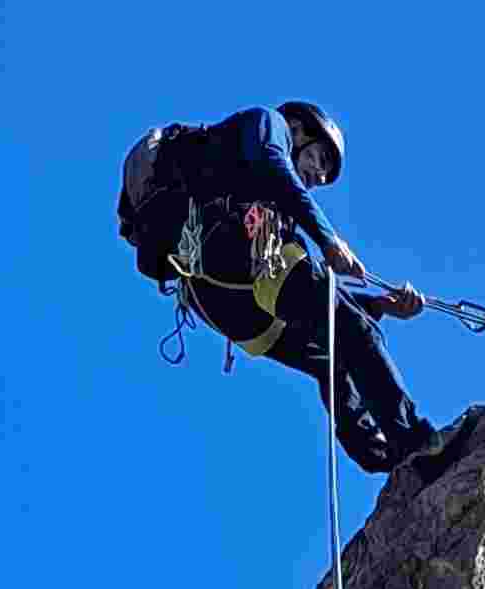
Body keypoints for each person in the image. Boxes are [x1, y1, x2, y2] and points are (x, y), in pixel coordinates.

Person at [118, 103, 448, 475]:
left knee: (333, 357)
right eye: (321, 158)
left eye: (325, 174)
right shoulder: (267, 123)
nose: (319, 176)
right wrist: (328, 240)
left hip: (226, 305)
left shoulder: (244, 184)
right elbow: (274, 164)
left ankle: (382, 458)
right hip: (243, 253)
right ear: (297, 127)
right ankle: (417, 444)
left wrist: (380, 305)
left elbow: (308, 299)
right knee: (353, 329)